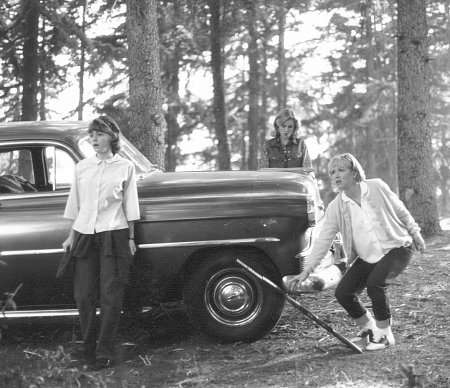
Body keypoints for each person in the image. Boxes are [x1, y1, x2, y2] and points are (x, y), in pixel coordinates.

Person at [284, 153, 426, 351]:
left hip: (397, 247)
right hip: (369, 257)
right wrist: (307, 271)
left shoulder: (376, 186)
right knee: (344, 292)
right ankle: (370, 329)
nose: (335, 175)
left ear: (354, 172)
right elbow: (324, 240)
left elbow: (400, 210)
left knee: (375, 284)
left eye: (341, 170)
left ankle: (385, 335)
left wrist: (416, 234)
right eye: (332, 172)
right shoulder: (336, 206)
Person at [61, 116, 140, 370]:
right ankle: (87, 347)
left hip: (114, 234)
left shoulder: (125, 166)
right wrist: (71, 236)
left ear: (112, 137)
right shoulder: (82, 167)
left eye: (99, 134)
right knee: (84, 295)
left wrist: (130, 238)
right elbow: (75, 205)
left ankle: (104, 350)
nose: (93, 139)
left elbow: (130, 205)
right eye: (91, 134)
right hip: (84, 234)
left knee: (110, 296)